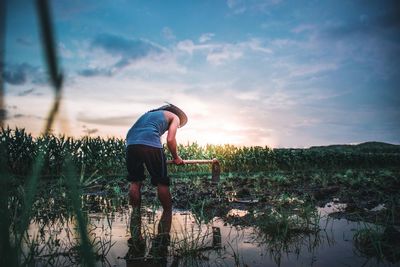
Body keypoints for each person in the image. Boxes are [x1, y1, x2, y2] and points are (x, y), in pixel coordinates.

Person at [125, 103, 187, 249]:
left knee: (135, 181)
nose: (178, 126)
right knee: (162, 182)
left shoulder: (148, 115)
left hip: (131, 143)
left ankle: (135, 215)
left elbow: (135, 132)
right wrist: (176, 157)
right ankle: (167, 212)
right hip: (150, 142)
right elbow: (170, 140)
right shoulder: (174, 116)